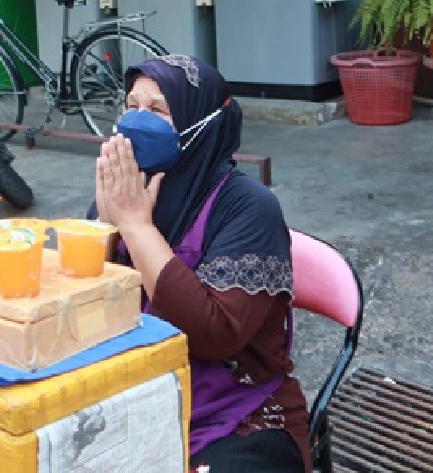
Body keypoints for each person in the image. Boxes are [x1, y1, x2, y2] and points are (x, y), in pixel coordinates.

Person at [90, 55, 307, 473]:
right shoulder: (128, 185)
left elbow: (213, 335)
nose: (136, 122)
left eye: (156, 110)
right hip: (135, 392)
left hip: (235, 413)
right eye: (131, 106)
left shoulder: (248, 208)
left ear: (202, 122)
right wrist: (103, 231)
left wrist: (135, 226)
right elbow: (85, 307)